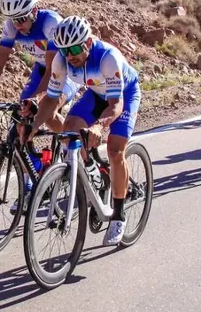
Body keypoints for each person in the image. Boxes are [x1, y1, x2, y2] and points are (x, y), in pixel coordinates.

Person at [22, 16, 141, 247]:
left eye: (75, 49)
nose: (71, 56)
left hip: (124, 95)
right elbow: (50, 100)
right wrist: (35, 126)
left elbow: (116, 105)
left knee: (116, 150)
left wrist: (98, 126)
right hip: (96, 95)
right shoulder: (61, 60)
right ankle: (93, 172)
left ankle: (118, 215)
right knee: (70, 129)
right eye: (65, 51)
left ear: (87, 43)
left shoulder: (107, 57)